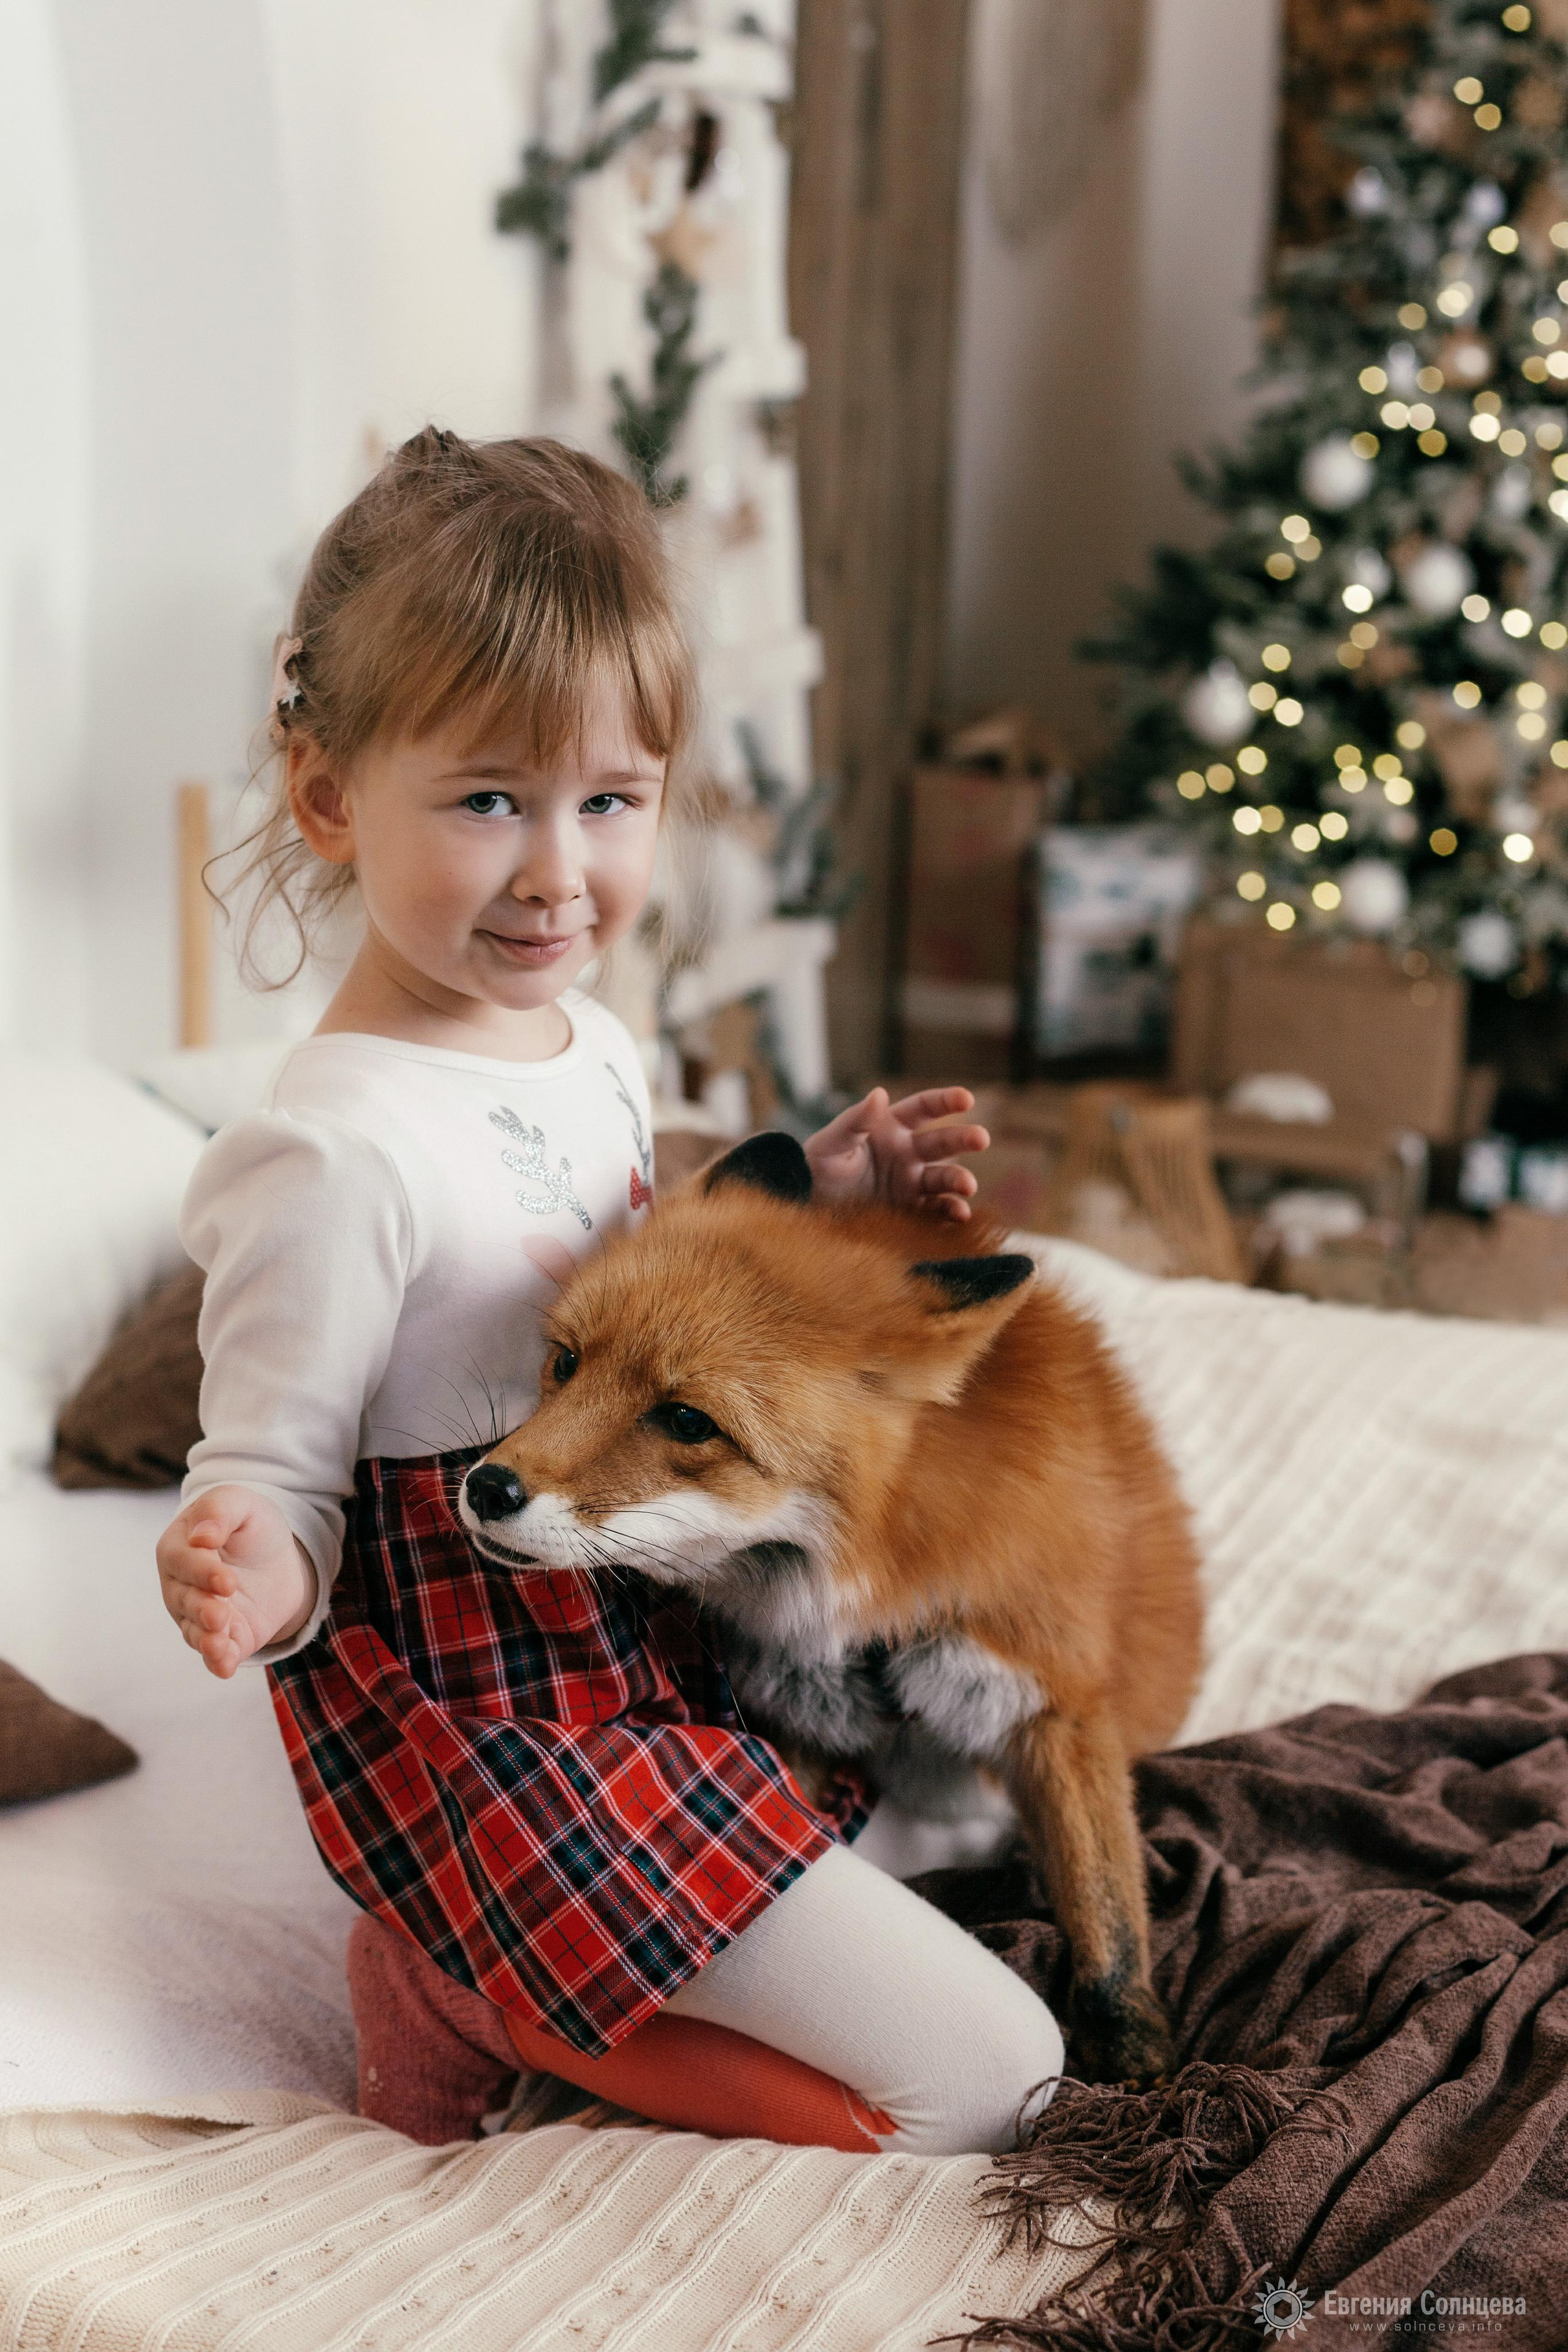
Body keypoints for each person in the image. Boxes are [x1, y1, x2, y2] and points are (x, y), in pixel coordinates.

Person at [156, 429, 1063, 2155]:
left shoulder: (594, 1043)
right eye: (490, 797)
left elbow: (619, 1274)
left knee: (971, 1815)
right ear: (332, 795)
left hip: (648, 1637)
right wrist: (248, 1569)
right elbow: (272, 1472)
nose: (559, 870)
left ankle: (556, 1982)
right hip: (499, 1733)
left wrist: (820, 1195)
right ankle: (470, 1992)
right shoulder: (329, 1153)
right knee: (989, 2084)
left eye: (610, 801)